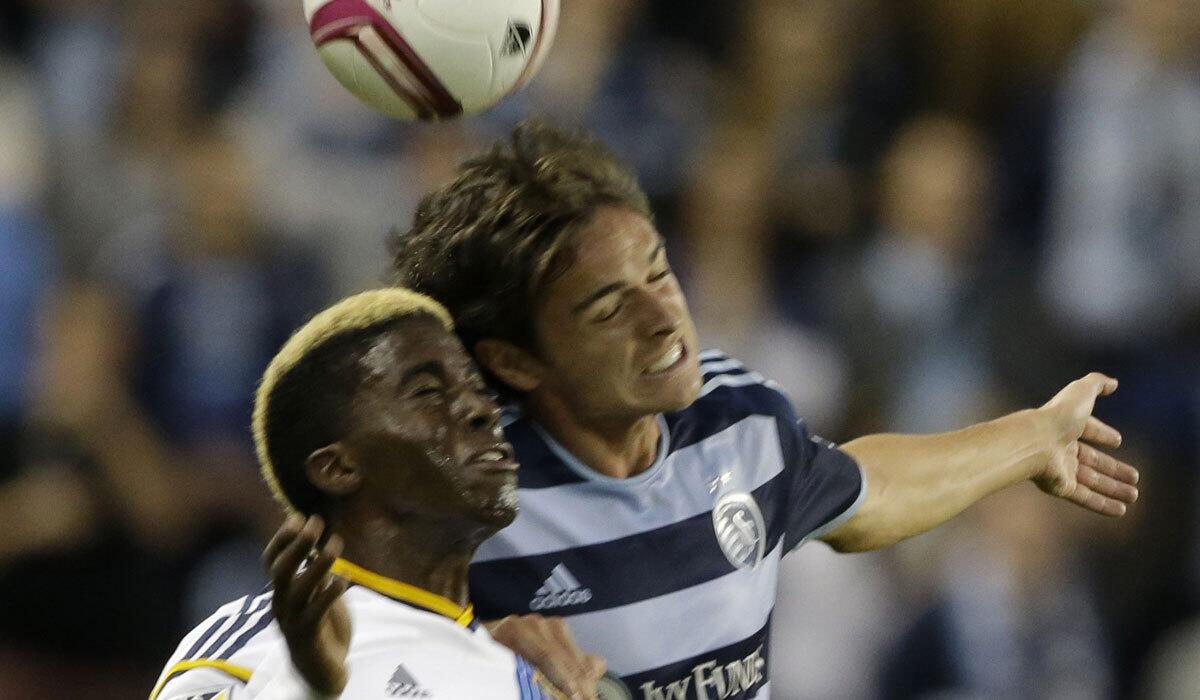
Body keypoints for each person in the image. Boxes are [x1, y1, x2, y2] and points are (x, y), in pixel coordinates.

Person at [385, 121, 1140, 698]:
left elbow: (863, 493)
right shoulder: (456, 502)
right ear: (514, 359)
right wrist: (467, 670)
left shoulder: (737, 418)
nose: (665, 317)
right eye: (609, 307)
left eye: (658, 271)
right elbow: (318, 653)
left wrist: (1031, 437)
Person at [149, 287, 604, 699]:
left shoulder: (525, 674)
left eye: (477, 387)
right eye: (427, 391)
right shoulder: (246, 648)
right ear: (338, 468)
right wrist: (308, 688)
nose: (482, 409)